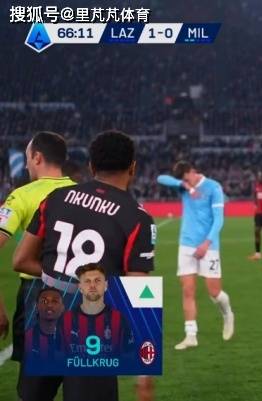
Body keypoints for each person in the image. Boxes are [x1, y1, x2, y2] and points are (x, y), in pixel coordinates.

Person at [13, 130, 156, 401]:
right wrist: (144, 372)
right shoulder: (138, 218)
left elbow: (20, 260)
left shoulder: (56, 198)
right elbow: (139, 293)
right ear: (133, 168)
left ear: (91, 166)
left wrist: (63, 279)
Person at [0, 131, 75, 397]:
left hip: (37, 295)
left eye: (27, 158)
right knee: (81, 383)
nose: (26, 165)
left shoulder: (22, 195)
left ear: (37, 157)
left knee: (35, 391)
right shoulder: (83, 194)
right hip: (82, 296)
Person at [157, 161, 234, 350]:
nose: (187, 182)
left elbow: (219, 219)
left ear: (193, 172)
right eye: (183, 180)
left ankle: (227, 314)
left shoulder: (213, 187)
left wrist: (206, 243)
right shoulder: (184, 187)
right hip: (186, 244)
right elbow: (161, 178)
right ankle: (191, 336)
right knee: (187, 290)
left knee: (214, 292)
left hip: (209, 246)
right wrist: (183, 185)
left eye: (187, 179)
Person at [62, 264, 133, 358]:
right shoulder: (65, 320)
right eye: (87, 281)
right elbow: (58, 358)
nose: (92, 285)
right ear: (80, 287)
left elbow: (129, 357)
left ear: (106, 285)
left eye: (97, 281)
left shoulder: (119, 319)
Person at [25, 287, 65, 367]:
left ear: (62, 307)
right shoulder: (27, 338)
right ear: (36, 306)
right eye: (44, 301)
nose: (49, 305)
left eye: (55, 301)